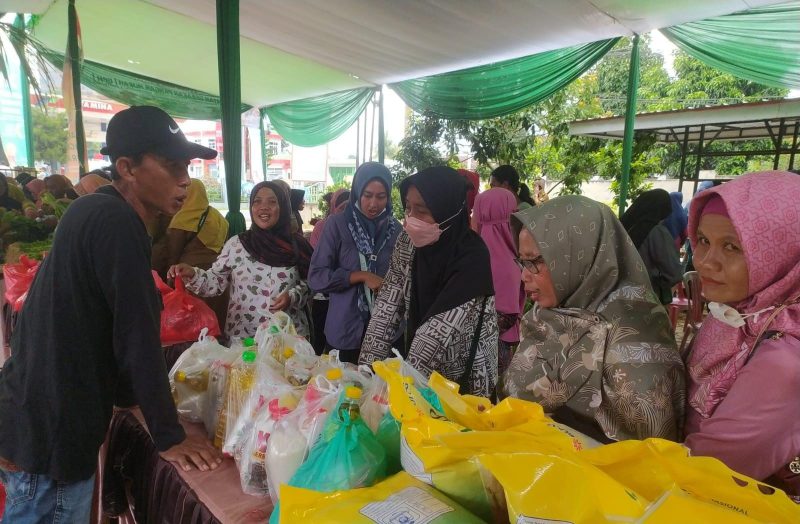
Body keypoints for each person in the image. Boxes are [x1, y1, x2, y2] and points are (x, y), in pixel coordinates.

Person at [0, 106, 223, 523]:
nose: (185, 180)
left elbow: (103, 322)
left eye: (187, 166)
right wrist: (168, 434)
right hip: (52, 433)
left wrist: (128, 397)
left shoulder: (97, 211)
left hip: (36, 416)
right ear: (127, 167)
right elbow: (136, 336)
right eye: (171, 165)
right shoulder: (116, 222)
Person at [500, 195, 685, 443]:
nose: (524, 275)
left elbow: (649, 442)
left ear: (578, 255)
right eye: (522, 261)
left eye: (535, 261)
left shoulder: (636, 331)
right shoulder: (546, 315)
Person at [683, 171, 800, 497]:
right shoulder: (733, 315)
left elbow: (709, 470)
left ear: (784, 253)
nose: (706, 262)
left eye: (732, 247)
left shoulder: (785, 360)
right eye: (703, 240)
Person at [359, 166, 498, 397]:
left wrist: (402, 391)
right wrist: (364, 373)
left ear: (447, 210)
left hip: (464, 378)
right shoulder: (408, 242)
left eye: (421, 210)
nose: (411, 219)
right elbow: (387, 307)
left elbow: (436, 333)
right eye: (408, 208)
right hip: (418, 369)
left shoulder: (472, 256)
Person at [169, 181, 313, 339]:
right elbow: (215, 282)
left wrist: (293, 296)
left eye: (272, 202)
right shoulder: (237, 244)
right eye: (257, 201)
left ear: (284, 207)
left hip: (287, 338)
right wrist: (192, 274)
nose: (263, 207)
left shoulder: (297, 245)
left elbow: (312, 283)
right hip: (244, 339)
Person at [309, 162, 400, 363]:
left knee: (380, 392)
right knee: (345, 391)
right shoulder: (338, 225)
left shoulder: (396, 231)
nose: (373, 204)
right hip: (346, 330)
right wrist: (360, 275)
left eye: (381, 196)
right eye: (367, 195)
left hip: (385, 332)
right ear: (358, 192)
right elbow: (316, 277)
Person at [472, 187, 523, 375]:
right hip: (496, 345)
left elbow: (505, 315)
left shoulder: (475, 256)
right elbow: (509, 313)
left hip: (481, 345)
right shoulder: (510, 260)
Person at [620, 188, 683, 305]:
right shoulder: (657, 232)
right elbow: (674, 273)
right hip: (646, 300)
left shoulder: (621, 226)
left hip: (616, 297)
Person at [308, 188, 349, 354]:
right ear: (333, 208)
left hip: (344, 294)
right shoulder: (322, 226)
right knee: (320, 332)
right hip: (323, 293)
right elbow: (317, 258)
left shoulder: (357, 229)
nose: (345, 213)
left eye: (350, 207)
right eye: (341, 208)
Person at [165, 178, 228, 270]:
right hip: (217, 270)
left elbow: (173, 256)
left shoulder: (182, 219)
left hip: (189, 272)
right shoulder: (217, 216)